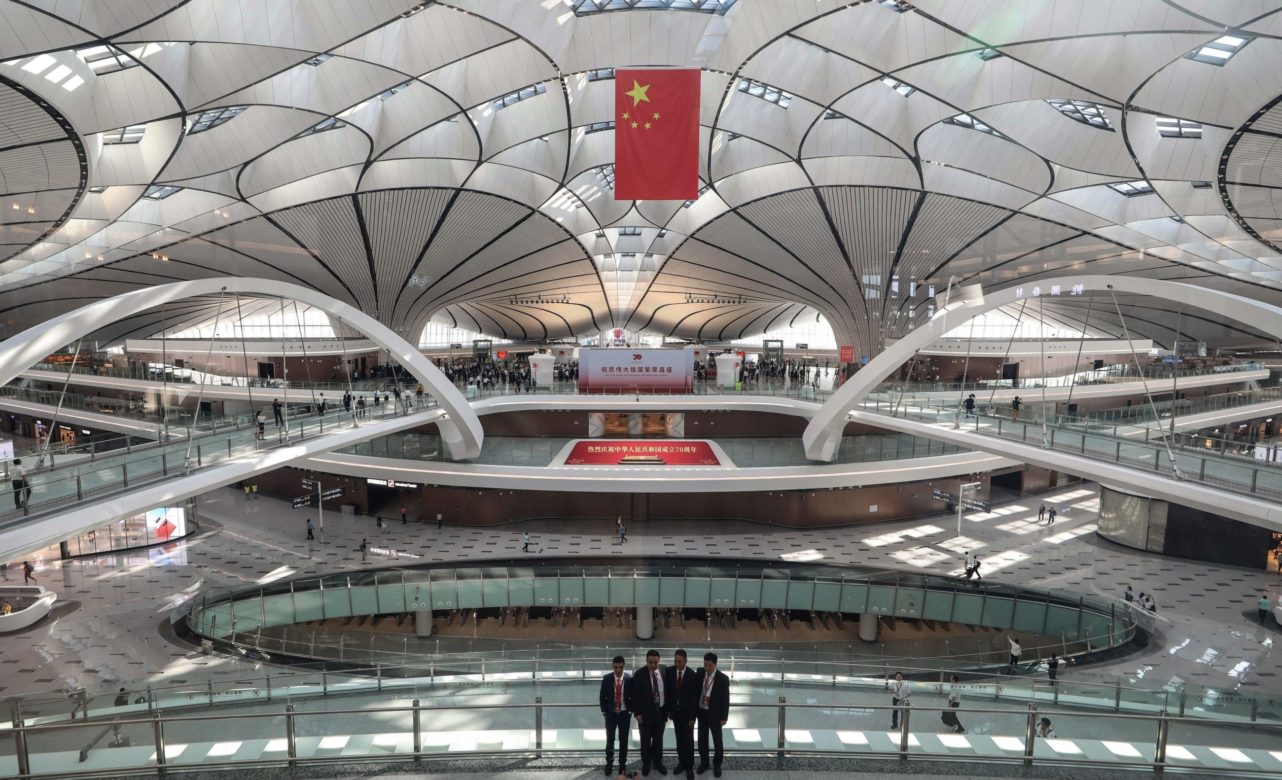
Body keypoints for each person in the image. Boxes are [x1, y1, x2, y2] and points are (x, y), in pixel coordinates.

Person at [631, 649, 668, 776]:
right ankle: (646, 763)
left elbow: (668, 690)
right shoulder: (639, 674)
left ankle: (657, 762)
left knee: (658, 740)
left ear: (659, 661)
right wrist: (637, 713)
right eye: (650, 662)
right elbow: (635, 695)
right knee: (645, 741)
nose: (653, 665)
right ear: (646, 661)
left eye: (655, 662)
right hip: (645, 715)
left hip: (660, 712)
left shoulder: (664, 671)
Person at [665, 650, 700, 778]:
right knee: (679, 739)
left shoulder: (692, 675)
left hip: (688, 715)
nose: (677, 664)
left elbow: (694, 698)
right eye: (675, 661)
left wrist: (693, 717)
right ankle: (682, 763)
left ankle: (689, 766)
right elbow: (668, 692)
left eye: (680, 661)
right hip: (676, 714)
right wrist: (669, 710)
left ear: (685, 661)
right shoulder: (670, 672)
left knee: (689, 741)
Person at [695, 652, 728, 777]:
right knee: (702, 740)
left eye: (709, 665)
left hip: (715, 715)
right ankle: (704, 763)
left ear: (715, 664)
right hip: (702, 713)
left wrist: (724, 717)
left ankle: (717, 764)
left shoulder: (722, 679)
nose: (707, 667)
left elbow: (725, 699)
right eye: (705, 664)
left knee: (718, 742)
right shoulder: (700, 673)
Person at [600, 655, 632, 776]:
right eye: (616, 667)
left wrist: (630, 711)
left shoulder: (629, 679)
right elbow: (602, 696)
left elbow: (633, 696)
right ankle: (609, 763)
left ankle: (622, 764)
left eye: (621, 667)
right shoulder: (607, 679)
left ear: (624, 667)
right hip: (611, 715)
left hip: (624, 714)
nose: (618, 670)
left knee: (624, 740)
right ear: (612, 667)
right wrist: (604, 711)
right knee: (610, 739)